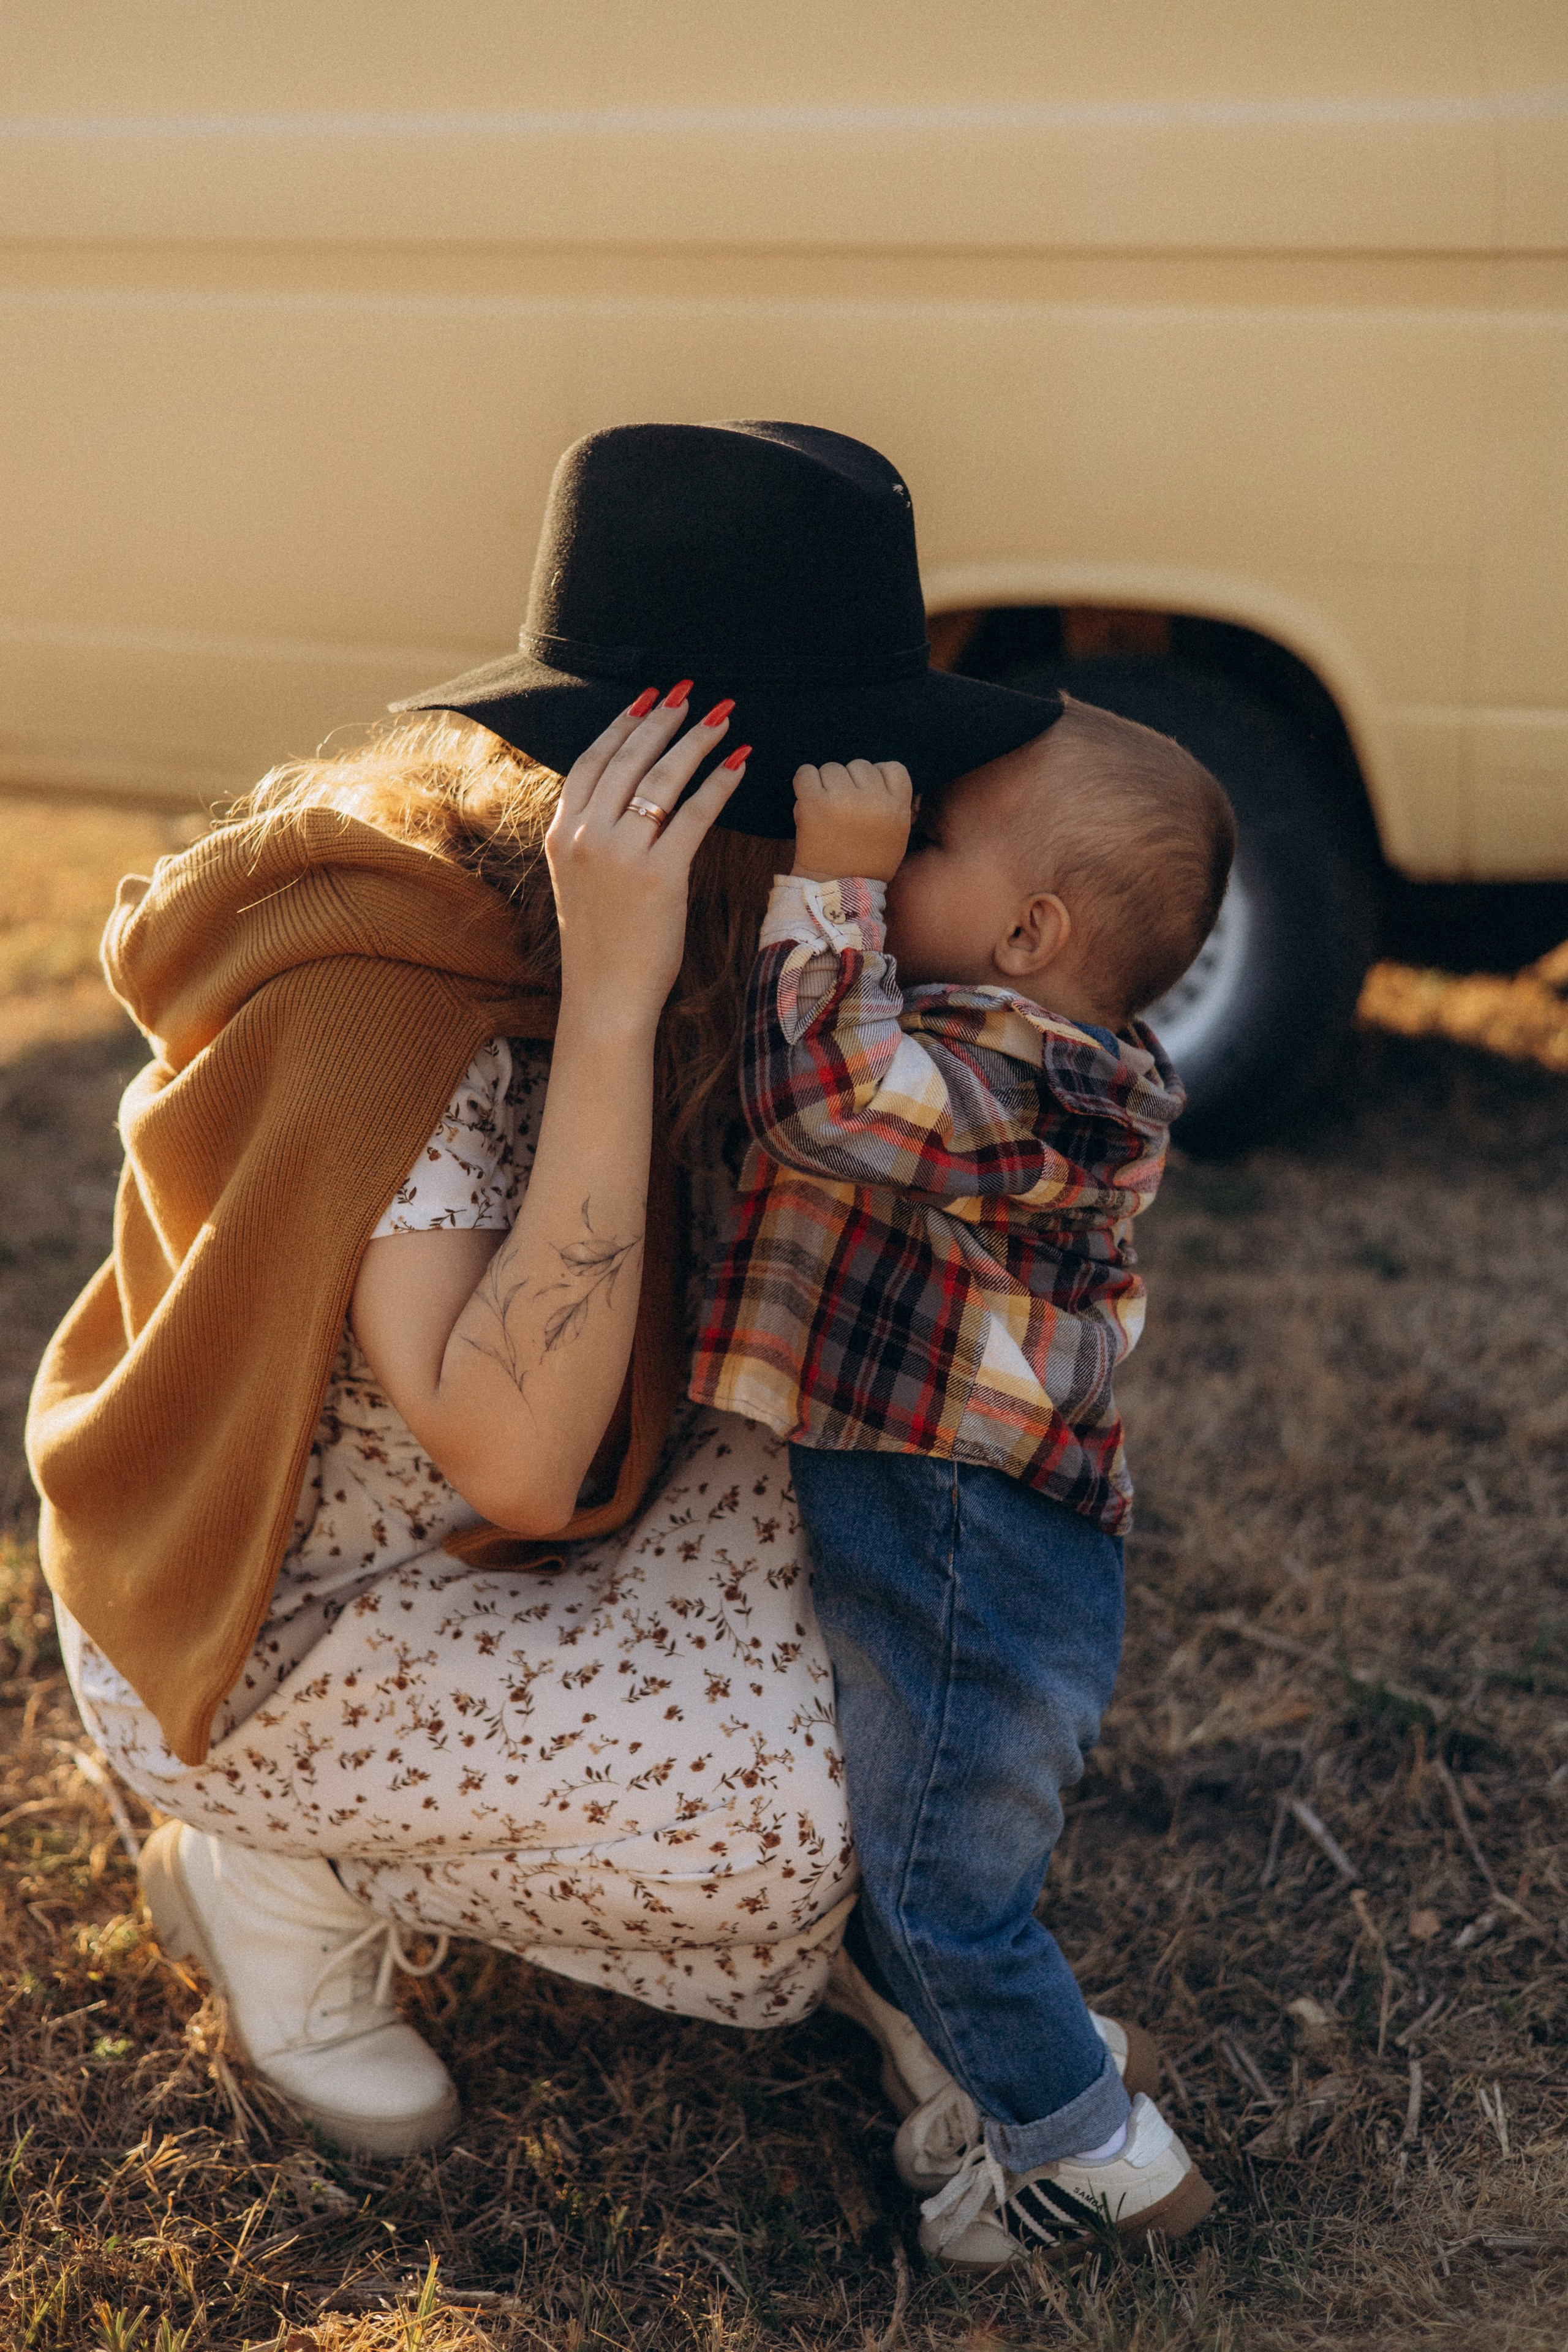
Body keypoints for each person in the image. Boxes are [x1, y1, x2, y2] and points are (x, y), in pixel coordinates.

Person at [25, 420, 1071, 2162]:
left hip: (547, 1514)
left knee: (962, 1608)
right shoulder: (387, 995)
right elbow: (512, 1448)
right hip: (288, 1610)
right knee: (775, 1838)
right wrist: (611, 996)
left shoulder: (753, 942)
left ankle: (903, 1931)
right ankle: (276, 1866)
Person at [691, 707, 1237, 2268]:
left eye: (925, 840)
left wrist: (830, 892)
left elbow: (820, 1101)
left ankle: (1085, 2159)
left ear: (1026, 930)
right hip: (947, 1530)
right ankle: (1066, 2056)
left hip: (971, 1540)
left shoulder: (1044, 1085)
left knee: (937, 1894)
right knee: (924, 1863)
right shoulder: (983, 1037)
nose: (891, 844)